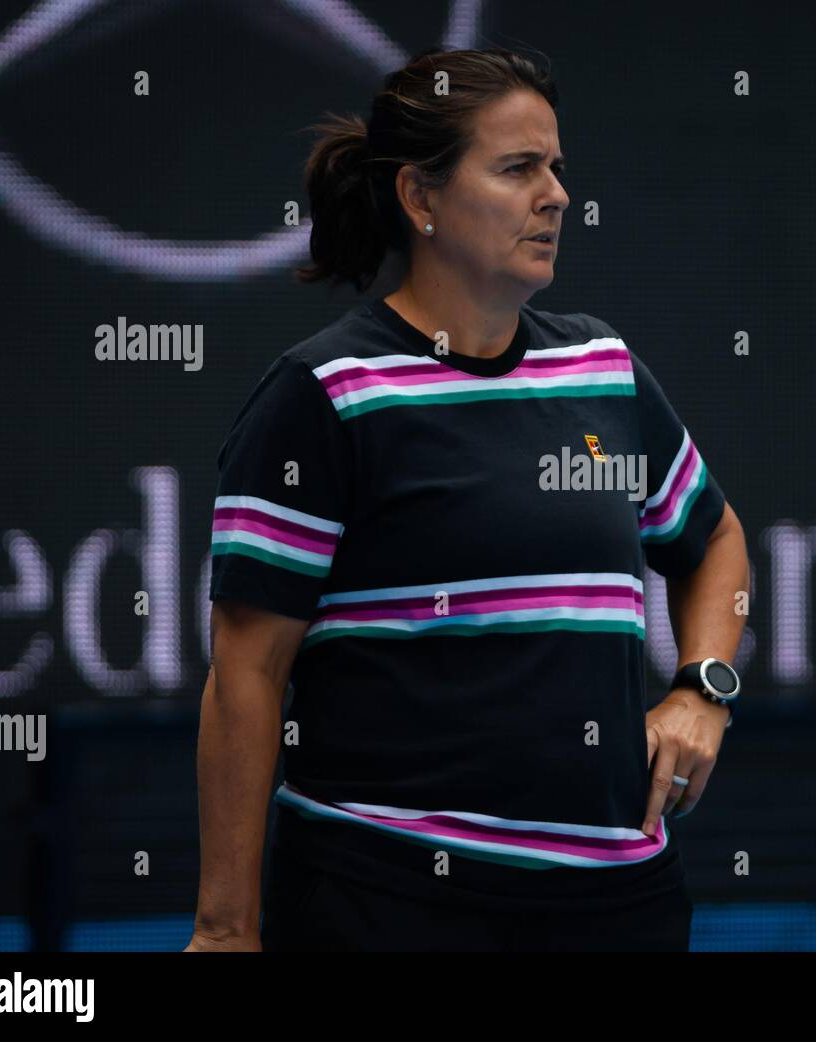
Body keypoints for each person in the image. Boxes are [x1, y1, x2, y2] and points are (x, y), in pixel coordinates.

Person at [184, 46, 748, 952]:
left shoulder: (602, 367)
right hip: (387, 901)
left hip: (620, 911)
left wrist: (703, 689)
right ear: (421, 198)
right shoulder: (324, 392)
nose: (557, 194)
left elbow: (714, 540)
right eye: (519, 167)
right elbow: (246, 677)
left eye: (557, 167)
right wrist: (224, 930)